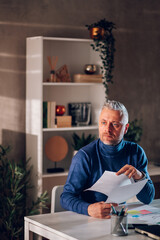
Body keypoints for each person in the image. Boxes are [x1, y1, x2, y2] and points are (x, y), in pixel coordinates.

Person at [60, 100, 155, 219]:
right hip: (89, 218)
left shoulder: (136, 152)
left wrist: (139, 176)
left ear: (126, 128)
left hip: (119, 218)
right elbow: (65, 197)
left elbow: (148, 199)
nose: (108, 129)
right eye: (104, 122)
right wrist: (88, 209)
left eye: (115, 124)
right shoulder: (84, 156)